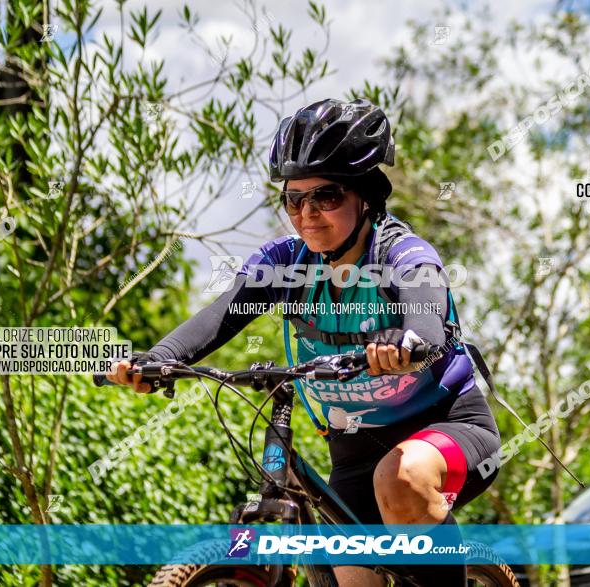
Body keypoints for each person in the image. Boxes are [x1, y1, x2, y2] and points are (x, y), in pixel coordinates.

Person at [107, 98, 501, 586]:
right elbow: (223, 314)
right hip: (354, 451)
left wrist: (408, 343)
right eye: (293, 199)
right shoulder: (287, 262)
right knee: (354, 579)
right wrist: (161, 360)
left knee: (402, 478)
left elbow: (427, 318)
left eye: (326, 197)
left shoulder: (404, 253)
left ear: (365, 197)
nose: (306, 214)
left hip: (446, 429)